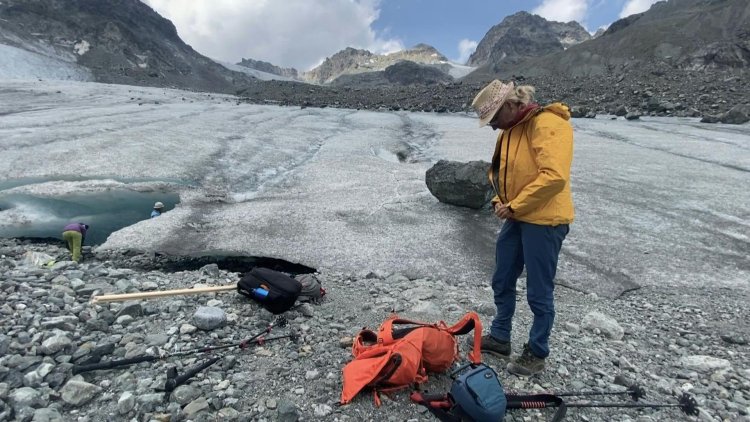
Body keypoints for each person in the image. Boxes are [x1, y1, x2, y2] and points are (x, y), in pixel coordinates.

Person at [469, 80, 574, 376]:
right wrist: (499, 200)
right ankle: (501, 337)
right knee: (502, 277)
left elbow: (553, 177)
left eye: (493, 119)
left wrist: (513, 205)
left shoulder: (549, 124)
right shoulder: (510, 130)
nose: (492, 127)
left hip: (545, 220)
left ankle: (537, 351)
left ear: (511, 105)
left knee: (539, 290)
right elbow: (502, 173)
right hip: (518, 215)